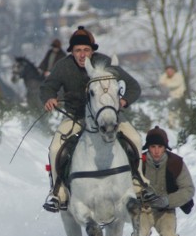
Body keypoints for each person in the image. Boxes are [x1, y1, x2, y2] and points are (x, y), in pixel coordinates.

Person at [39, 25, 147, 213]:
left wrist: (123, 101)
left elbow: (134, 87)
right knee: (55, 148)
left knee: (136, 139)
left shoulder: (105, 63)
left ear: (92, 50)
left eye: (86, 50)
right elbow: (47, 87)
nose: (82, 55)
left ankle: (138, 182)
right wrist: (49, 98)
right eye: (78, 50)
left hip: (108, 118)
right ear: (72, 51)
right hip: (75, 117)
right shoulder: (63, 66)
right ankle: (58, 192)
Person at [125, 126, 195, 236]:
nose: (156, 151)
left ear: (165, 148)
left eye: (160, 147)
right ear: (148, 147)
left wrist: (167, 200)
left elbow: (188, 189)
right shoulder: (137, 163)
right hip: (144, 208)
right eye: (153, 147)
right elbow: (125, 184)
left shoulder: (175, 163)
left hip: (166, 209)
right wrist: (139, 193)